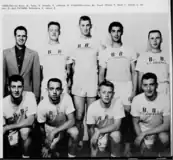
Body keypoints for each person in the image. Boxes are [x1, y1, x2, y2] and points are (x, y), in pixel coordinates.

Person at [98, 21, 138, 156]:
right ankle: (110, 147)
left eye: (118, 31)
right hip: (111, 87)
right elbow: (101, 74)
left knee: (126, 118)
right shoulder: (105, 52)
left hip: (126, 86)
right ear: (110, 33)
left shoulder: (130, 50)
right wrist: (102, 91)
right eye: (113, 31)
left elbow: (134, 72)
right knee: (111, 117)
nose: (116, 33)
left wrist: (133, 90)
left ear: (122, 32)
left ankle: (127, 149)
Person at [70, 15, 103, 147]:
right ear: (79, 27)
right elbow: (71, 65)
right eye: (82, 25)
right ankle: (77, 145)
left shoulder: (97, 42)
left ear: (91, 26)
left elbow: (101, 64)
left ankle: (92, 146)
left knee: (91, 118)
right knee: (79, 116)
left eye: (87, 25)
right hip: (78, 83)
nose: (85, 28)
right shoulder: (74, 42)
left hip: (92, 84)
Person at [37, 78, 78, 158]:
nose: (54, 92)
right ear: (47, 90)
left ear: (62, 90)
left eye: (57, 89)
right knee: (48, 154)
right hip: (49, 128)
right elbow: (41, 128)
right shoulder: (42, 105)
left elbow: (72, 121)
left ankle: (71, 156)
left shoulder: (66, 98)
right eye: (51, 89)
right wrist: (45, 144)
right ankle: (53, 150)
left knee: (75, 132)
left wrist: (55, 131)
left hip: (63, 127)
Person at [131, 72, 170, 156]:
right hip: (142, 131)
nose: (148, 88)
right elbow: (135, 123)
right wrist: (141, 136)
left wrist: (145, 133)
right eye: (145, 85)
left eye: (151, 84)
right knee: (146, 152)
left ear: (157, 85)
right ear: (142, 86)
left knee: (165, 138)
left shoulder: (165, 98)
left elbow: (166, 125)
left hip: (159, 131)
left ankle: (160, 153)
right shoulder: (137, 100)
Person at [86, 80, 125, 157]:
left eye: (109, 92)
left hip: (111, 131)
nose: (106, 95)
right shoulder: (92, 107)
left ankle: (114, 155)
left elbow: (117, 126)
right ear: (99, 93)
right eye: (104, 92)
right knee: (94, 153)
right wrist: (93, 139)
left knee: (116, 135)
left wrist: (99, 131)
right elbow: (91, 128)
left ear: (113, 94)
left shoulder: (118, 103)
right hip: (98, 132)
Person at [3, 75, 37, 158]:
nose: (16, 90)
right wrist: (8, 131)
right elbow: (3, 128)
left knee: (24, 132)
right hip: (11, 133)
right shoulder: (3, 104)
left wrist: (8, 127)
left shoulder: (29, 96)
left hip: (27, 130)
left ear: (23, 87)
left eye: (19, 87)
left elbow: (31, 120)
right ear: (9, 88)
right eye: (13, 87)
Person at [3, 26, 40, 102]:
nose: (21, 38)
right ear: (15, 37)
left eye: (23, 36)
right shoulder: (5, 53)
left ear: (26, 37)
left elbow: (36, 78)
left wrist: (35, 97)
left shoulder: (33, 54)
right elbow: (2, 77)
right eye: (18, 36)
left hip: (27, 94)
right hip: (10, 94)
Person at [40, 21, 72, 99]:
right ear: (48, 32)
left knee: (62, 110)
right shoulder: (42, 49)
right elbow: (40, 70)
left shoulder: (65, 48)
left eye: (56, 30)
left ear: (59, 32)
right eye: (51, 30)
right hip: (46, 86)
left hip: (62, 86)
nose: (54, 32)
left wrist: (69, 83)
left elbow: (69, 70)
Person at [135, 30, 170, 95]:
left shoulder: (168, 56)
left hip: (165, 89)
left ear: (161, 39)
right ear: (148, 41)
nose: (155, 41)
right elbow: (140, 79)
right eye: (152, 38)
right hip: (149, 89)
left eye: (157, 38)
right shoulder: (143, 57)